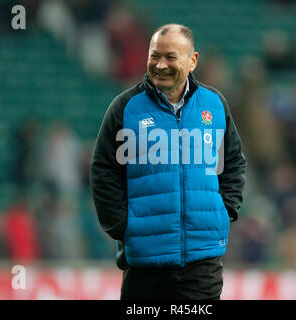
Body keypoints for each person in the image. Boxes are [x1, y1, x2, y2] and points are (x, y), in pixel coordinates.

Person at [90, 24, 247, 300]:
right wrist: (124, 227)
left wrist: (225, 211)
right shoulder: (125, 108)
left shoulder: (215, 105)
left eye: (170, 57)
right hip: (144, 262)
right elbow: (103, 171)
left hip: (202, 261)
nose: (160, 65)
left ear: (192, 60)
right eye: (154, 56)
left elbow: (233, 162)